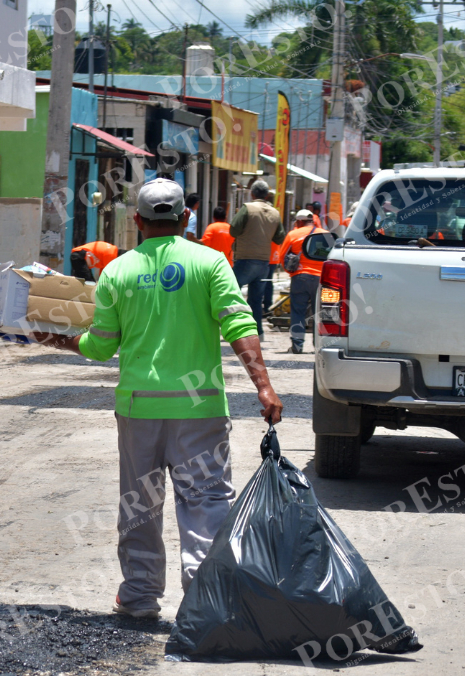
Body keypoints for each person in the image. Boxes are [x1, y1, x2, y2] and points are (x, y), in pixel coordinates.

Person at [28, 178, 284, 619]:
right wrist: (263, 385)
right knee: (205, 502)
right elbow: (239, 324)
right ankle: (205, 602)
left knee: (140, 506)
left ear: (138, 221)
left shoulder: (118, 271)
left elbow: (99, 347)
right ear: (186, 218)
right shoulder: (210, 262)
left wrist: (56, 338)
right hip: (199, 409)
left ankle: (139, 595)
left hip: (139, 410)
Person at [230, 180, 286, 343]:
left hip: (245, 259)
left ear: (252, 193)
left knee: (230, 292)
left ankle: (231, 329)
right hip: (264, 263)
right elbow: (280, 237)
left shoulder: (247, 208)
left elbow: (233, 229)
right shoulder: (274, 213)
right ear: (267, 195)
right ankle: (258, 333)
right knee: (256, 300)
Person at [277, 209, 325, 354]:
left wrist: (292, 272)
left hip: (300, 277)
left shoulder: (293, 234)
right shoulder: (325, 234)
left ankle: (297, 345)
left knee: (298, 311)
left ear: (298, 221)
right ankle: (319, 346)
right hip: (321, 279)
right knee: (320, 312)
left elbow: (282, 256)